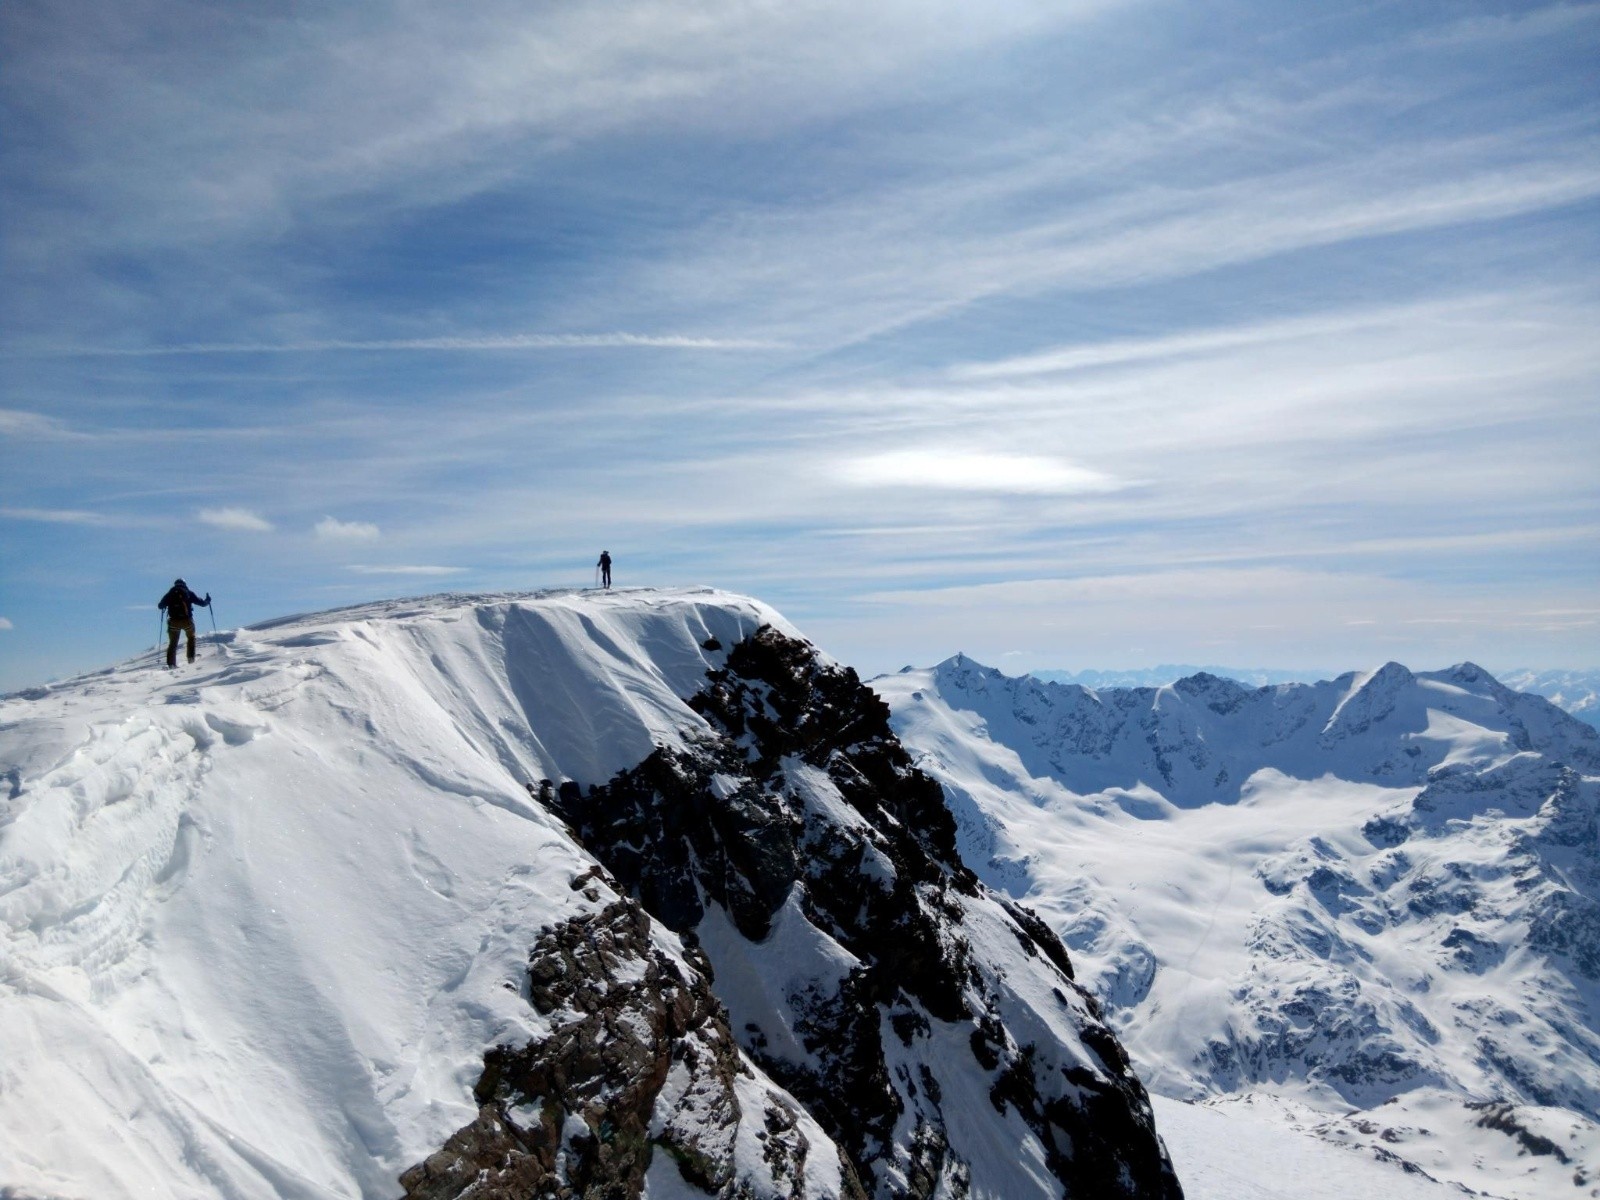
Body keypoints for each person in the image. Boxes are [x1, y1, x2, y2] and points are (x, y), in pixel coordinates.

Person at [159, 578, 211, 667]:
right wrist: (208, 600)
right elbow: (201, 603)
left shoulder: (170, 594)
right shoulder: (188, 593)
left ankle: (171, 664)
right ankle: (191, 658)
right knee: (191, 638)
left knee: (173, 643)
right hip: (187, 621)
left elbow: (160, 606)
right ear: (184, 584)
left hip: (173, 622)